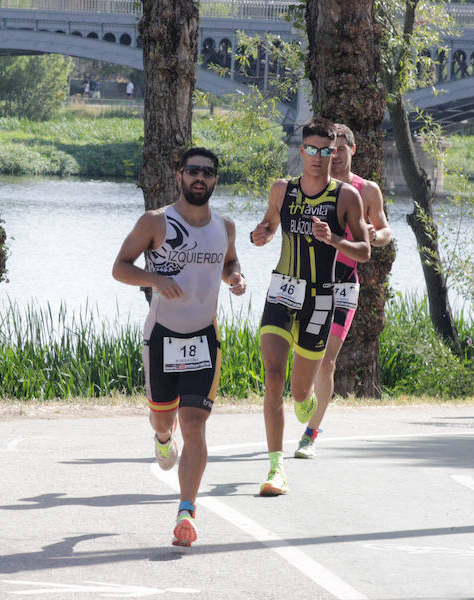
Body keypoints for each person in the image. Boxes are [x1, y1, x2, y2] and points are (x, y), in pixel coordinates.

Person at [112, 147, 246, 547]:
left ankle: (186, 509)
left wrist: (236, 279)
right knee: (163, 420)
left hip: (205, 337)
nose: (199, 178)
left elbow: (230, 263)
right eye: (193, 171)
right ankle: (161, 438)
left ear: (215, 180)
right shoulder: (156, 222)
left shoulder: (225, 226)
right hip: (162, 337)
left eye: (207, 172)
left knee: (195, 424)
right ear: (180, 177)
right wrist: (154, 280)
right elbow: (120, 267)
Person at [250, 117, 371, 495]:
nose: (320, 157)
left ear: (335, 153)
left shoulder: (346, 197)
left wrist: (334, 239)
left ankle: (304, 403)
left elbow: (365, 251)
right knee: (272, 378)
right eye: (313, 150)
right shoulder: (282, 190)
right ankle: (275, 469)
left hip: (320, 299)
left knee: (300, 392)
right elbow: (269, 225)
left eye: (327, 151)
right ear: (302, 150)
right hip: (282, 291)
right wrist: (261, 234)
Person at [294, 123, 392, 459]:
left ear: (353, 150)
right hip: (309, 278)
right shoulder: (314, 186)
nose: (333, 157)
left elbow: (382, 227)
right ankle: (303, 396)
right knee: (303, 354)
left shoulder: (366, 190)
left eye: (339, 150)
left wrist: (374, 237)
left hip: (345, 282)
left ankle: (310, 434)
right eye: (328, 150)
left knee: (327, 362)